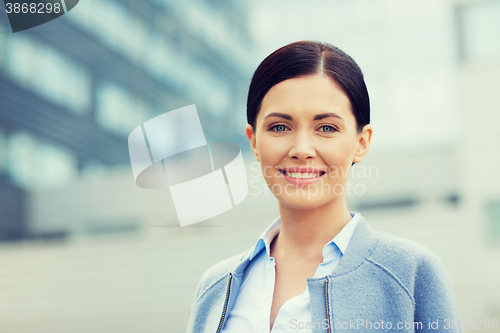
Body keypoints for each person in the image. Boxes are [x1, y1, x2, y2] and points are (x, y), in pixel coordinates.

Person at [186, 41, 462, 333]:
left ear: (361, 142)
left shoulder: (410, 273)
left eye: (326, 128)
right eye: (280, 127)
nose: (302, 149)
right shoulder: (216, 286)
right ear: (254, 142)